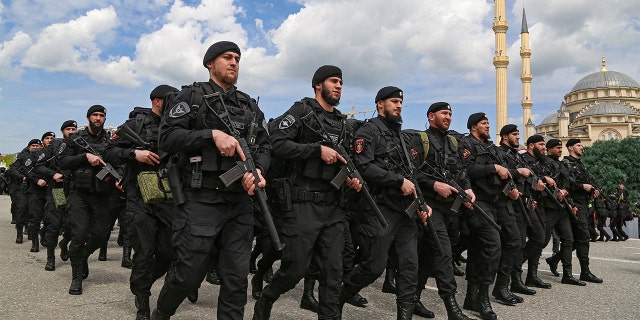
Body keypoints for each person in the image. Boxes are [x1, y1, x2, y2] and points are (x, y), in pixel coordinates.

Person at [151, 41, 271, 320]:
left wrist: (260, 171)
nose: (234, 63)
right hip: (200, 199)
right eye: (227, 57)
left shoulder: (249, 105)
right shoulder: (190, 97)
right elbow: (167, 139)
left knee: (236, 279)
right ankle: (161, 313)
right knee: (188, 274)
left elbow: (265, 146)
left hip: (239, 202)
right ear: (210, 64)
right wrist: (211, 136)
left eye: (237, 59)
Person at [253, 65, 362, 320]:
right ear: (318, 86)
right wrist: (315, 150)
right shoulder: (301, 111)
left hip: (333, 207)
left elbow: (345, 161)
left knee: (333, 274)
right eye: (333, 81)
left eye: (341, 83)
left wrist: (352, 180)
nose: (338, 86)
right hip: (302, 203)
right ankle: (266, 299)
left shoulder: (341, 123)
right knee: (295, 269)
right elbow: (277, 143)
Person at [338, 86, 429, 320]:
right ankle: (338, 298)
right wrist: (398, 182)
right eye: (393, 101)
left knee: (409, 266)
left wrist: (421, 202)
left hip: (404, 212)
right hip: (378, 210)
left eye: (400, 101)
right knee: (373, 267)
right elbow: (364, 167)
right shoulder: (369, 131)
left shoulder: (401, 135)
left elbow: (411, 173)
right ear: (380, 104)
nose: (398, 105)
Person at [103, 84, 179, 320]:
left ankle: (141, 282)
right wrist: (134, 154)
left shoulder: (178, 125)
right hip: (140, 198)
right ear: (157, 101)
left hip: (169, 198)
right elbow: (108, 152)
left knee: (169, 252)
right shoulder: (135, 124)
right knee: (144, 252)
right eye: (171, 100)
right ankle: (143, 302)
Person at [409, 101, 475, 319]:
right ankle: (452, 307)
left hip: (450, 209)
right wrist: (433, 185)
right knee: (443, 253)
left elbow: (461, 170)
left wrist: (467, 188)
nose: (448, 117)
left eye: (450, 114)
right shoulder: (421, 140)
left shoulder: (454, 142)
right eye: (443, 113)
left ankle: (414, 298)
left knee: (430, 256)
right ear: (430, 116)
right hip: (430, 207)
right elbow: (411, 173)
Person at [58, 104, 119, 295]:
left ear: (105, 119)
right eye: (95, 115)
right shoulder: (76, 140)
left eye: (101, 115)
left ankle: (83, 256)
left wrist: (120, 178)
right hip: (79, 194)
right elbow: (63, 162)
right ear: (88, 118)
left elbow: (119, 162)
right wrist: (85, 157)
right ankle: (76, 277)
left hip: (102, 195)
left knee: (102, 234)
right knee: (79, 234)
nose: (98, 118)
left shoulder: (111, 142)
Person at [460, 113, 506, 320]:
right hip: (476, 203)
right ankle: (483, 299)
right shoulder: (466, 144)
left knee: (478, 249)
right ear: (473, 127)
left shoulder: (491, 148)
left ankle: (471, 296)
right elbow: (466, 169)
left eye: (489, 122)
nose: (488, 126)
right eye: (483, 123)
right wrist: (492, 167)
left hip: (494, 202)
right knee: (492, 246)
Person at [33, 122, 78, 271]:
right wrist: (53, 174)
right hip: (58, 189)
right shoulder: (55, 145)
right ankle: (50, 257)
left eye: (73, 129)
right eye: (68, 129)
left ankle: (64, 244)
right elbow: (39, 166)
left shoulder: (80, 144)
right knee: (55, 224)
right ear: (62, 131)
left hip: (76, 191)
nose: (71, 131)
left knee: (74, 225)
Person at [541, 139, 585, 286]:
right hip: (550, 206)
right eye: (557, 148)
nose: (560, 150)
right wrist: (556, 192)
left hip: (563, 207)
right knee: (541, 241)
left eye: (561, 147)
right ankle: (519, 271)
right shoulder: (544, 163)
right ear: (549, 149)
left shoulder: (561, 165)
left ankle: (568, 274)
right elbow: (543, 184)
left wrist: (571, 204)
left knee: (568, 240)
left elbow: (568, 186)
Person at [562, 138, 603, 283]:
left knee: (577, 239)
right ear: (570, 148)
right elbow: (568, 183)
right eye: (579, 145)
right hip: (574, 204)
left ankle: (554, 260)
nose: (582, 148)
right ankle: (584, 272)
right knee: (583, 237)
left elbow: (588, 181)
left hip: (585, 204)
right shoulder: (566, 164)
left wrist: (593, 190)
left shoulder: (581, 165)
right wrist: (582, 187)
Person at [6, 139, 42, 244]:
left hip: (37, 188)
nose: (35, 148)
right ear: (29, 147)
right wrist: (23, 177)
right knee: (21, 209)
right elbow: (11, 170)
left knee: (33, 212)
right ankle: (19, 233)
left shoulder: (44, 157)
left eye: (37, 146)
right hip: (23, 188)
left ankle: (31, 231)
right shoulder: (22, 157)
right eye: (33, 146)